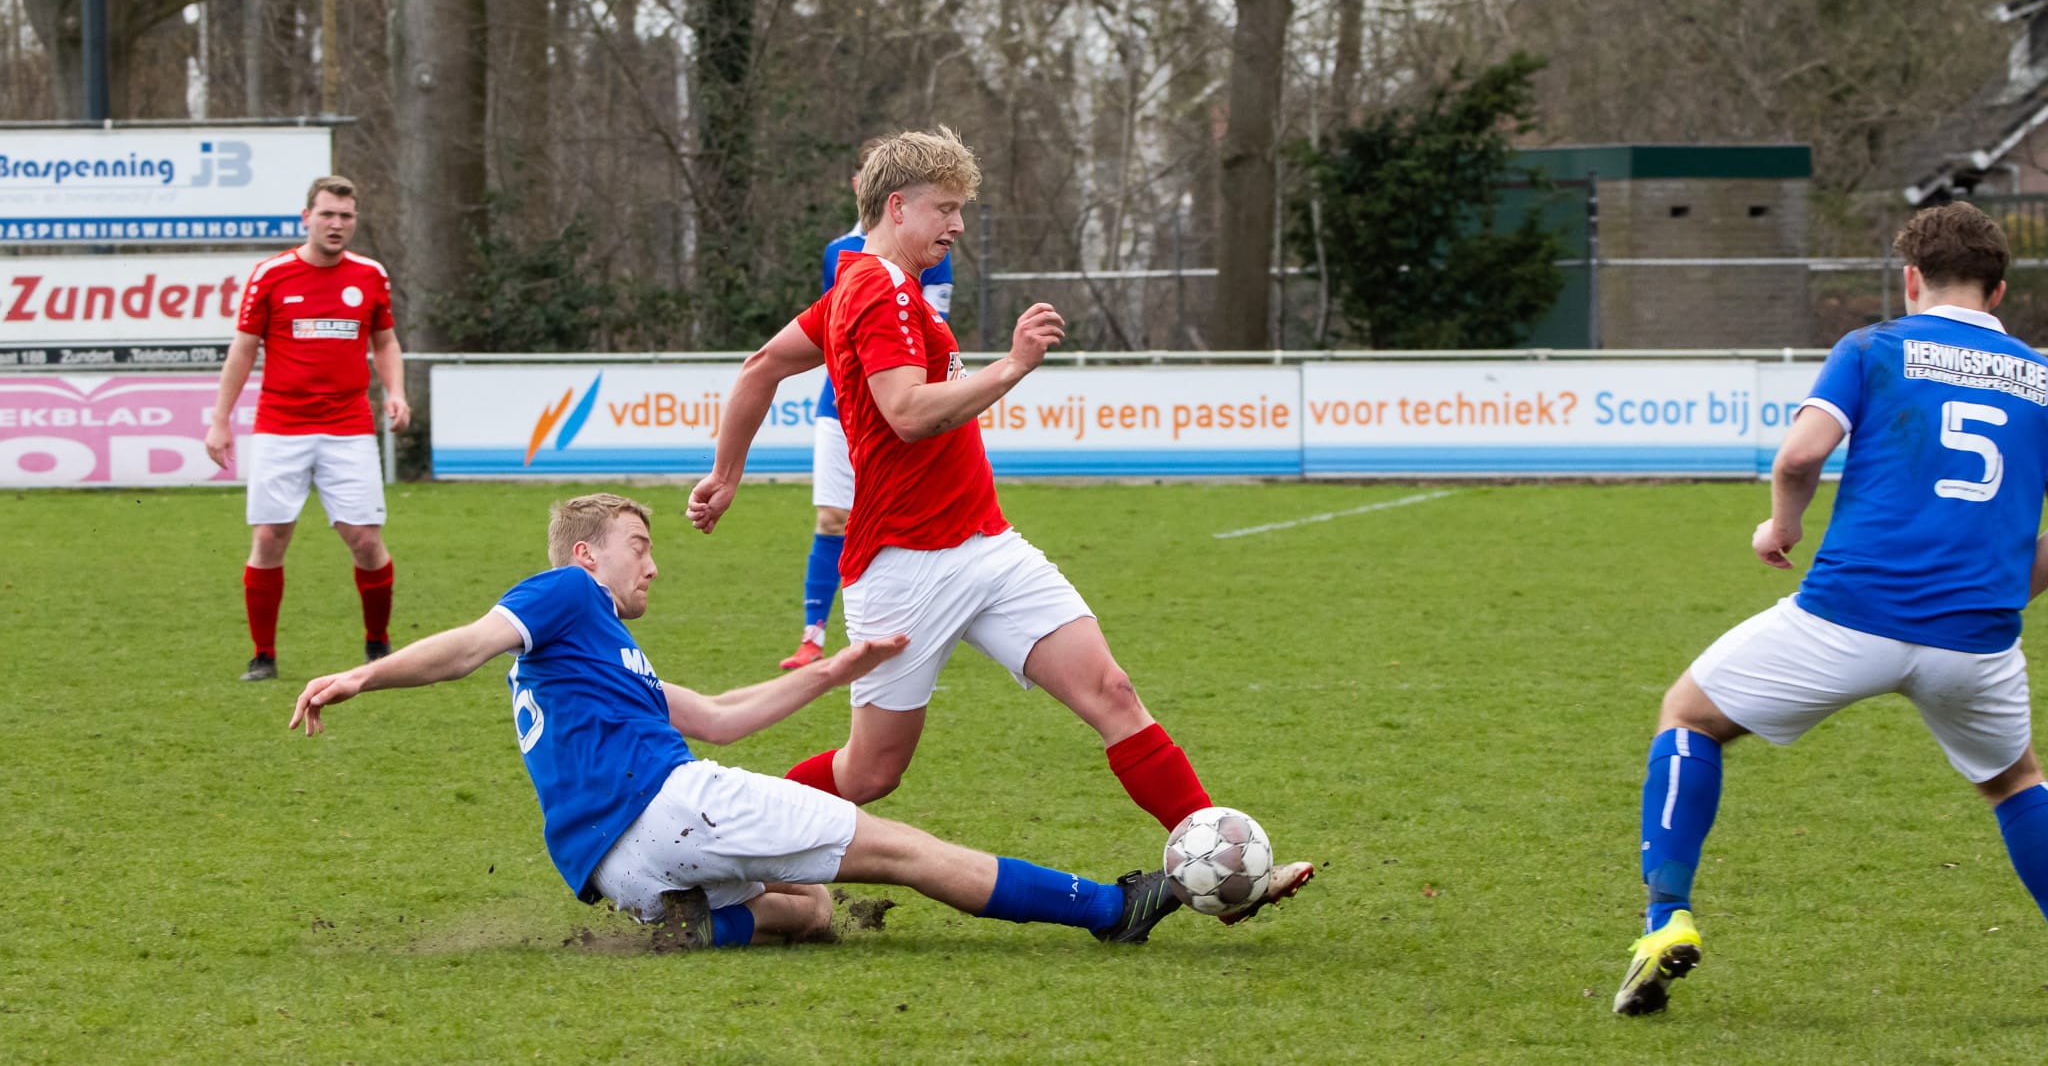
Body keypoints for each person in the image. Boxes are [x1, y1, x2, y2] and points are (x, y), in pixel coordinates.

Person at [689, 127, 1312, 925]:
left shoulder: (868, 283)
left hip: (986, 545)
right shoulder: (876, 289)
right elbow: (906, 412)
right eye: (945, 209)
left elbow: (761, 366)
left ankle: (1225, 872)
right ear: (896, 206)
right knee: (872, 771)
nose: (956, 226)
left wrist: (726, 474)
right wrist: (1011, 365)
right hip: (903, 566)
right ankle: (714, 838)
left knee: (1112, 692)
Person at [287, 493, 1185, 948]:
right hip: (669, 806)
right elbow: (466, 646)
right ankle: (1112, 908)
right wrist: (364, 675)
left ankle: (701, 927)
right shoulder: (565, 592)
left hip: (619, 869)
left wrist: (835, 668)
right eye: (640, 547)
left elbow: (718, 716)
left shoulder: (593, 659)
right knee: (903, 849)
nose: (652, 565)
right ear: (588, 554)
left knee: (812, 909)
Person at [1614, 200, 2048, 1016]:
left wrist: (1782, 526)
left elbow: (1800, 455)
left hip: (1848, 614)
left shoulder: (1871, 347)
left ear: (1911, 279)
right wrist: (1997, 588)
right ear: (1998, 291)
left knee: (1689, 715)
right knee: (2016, 781)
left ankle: (1666, 917)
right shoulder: (2044, 378)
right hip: (1977, 640)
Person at [205, 174, 410, 682]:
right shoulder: (271, 275)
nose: (336, 224)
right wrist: (220, 419)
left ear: (354, 220)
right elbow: (243, 349)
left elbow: (385, 341)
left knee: (365, 540)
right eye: (327, 214)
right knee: (270, 537)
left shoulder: (370, 275)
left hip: (349, 428)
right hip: (281, 427)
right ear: (307, 218)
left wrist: (396, 391)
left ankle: (378, 645)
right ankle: (263, 656)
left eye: (345, 216)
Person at [783, 182, 953, 671]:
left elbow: (933, 322)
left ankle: (913, 632)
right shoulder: (837, 251)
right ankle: (813, 636)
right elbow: (829, 330)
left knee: (906, 520)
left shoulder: (931, 244)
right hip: (839, 408)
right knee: (832, 518)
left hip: (903, 406)